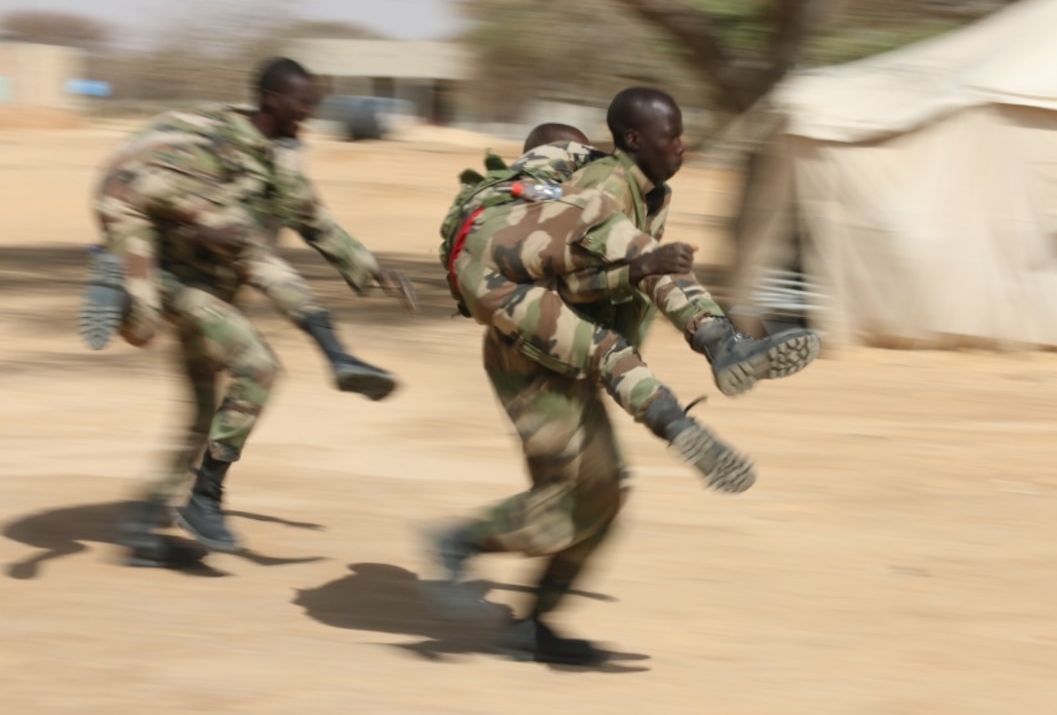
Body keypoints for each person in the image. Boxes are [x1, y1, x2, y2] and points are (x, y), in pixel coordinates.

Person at [423, 92, 820, 664]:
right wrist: (639, 269)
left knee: (603, 498)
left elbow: (589, 283)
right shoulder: (602, 190)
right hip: (532, 366)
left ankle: (532, 626)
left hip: (564, 345)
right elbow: (569, 286)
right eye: (673, 135)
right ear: (634, 139)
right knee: (572, 501)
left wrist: (635, 273)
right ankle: (462, 543)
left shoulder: (644, 191)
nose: (683, 145)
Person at [85, 57, 416, 563]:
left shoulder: (281, 157)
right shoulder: (217, 140)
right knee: (258, 368)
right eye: (303, 102)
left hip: (217, 282)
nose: (310, 111)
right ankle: (204, 499)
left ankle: (141, 526)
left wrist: (371, 269)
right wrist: (192, 231)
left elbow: (314, 221)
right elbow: (138, 186)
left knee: (202, 409)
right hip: (171, 277)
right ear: (272, 98)